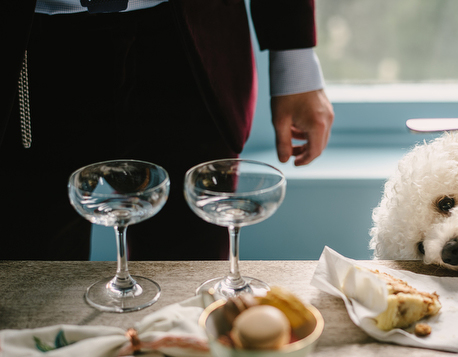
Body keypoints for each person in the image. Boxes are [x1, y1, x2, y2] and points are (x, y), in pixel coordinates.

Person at [0, 0, 334, 260]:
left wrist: (295, 58)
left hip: (188, 46)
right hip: (28, 47)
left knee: (190, 292)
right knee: (26, 285)